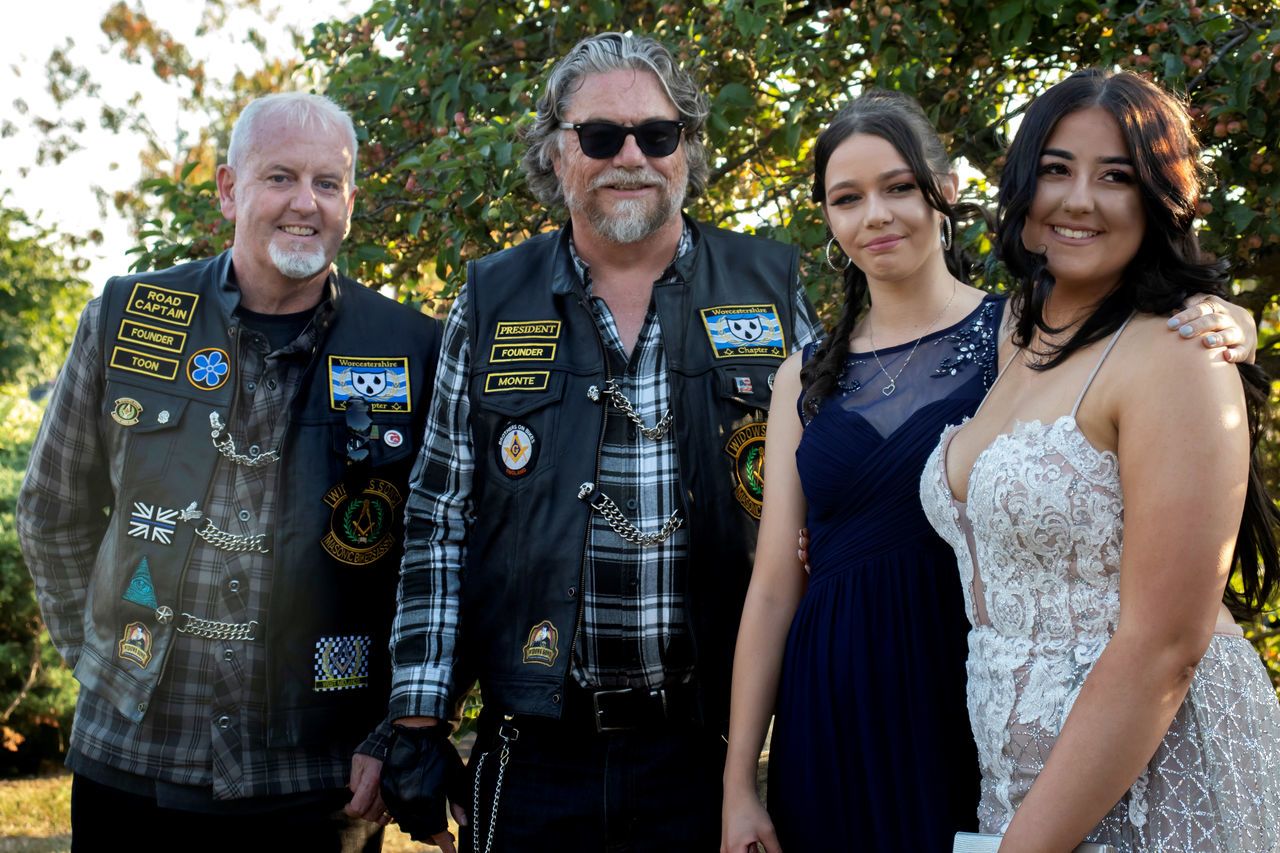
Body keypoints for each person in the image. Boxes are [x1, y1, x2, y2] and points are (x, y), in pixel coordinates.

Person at [721, 90, 1257, 853]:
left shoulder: (1022, 326)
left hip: (958, 688)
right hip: (832, 698)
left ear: (946, 191)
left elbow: (1138, 333)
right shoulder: (801, 378)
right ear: (829, 220)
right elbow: (773, 584)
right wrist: (739, 782)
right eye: (849, 197)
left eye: (899, 186)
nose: (876, 214)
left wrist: (1232, 320)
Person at [380, 32, 822, 852]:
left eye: (657, 135)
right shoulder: (490, 298)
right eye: (599, 136)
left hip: (714, 754)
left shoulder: (769, 287)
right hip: (536, 748)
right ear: (554, 152)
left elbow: (829, 505)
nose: (632, 157)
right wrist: (417, 716)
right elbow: (437, 519)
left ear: (686, 147)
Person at [17, 92, 442, 850]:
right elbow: (52, 510)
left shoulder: (414, 348)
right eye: (279, 176)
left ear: (351, 198)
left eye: (327, 182)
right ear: (226, 188)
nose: (303, 204)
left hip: (318, 780)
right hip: (130, 763)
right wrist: (102, 658)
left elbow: (436, 561)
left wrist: (393, 728)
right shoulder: (129, 316)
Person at [921, 69, 1280, 851]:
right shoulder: (1017, 329)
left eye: (1117, 176)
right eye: (1056, 168)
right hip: (1019, 782)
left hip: (1156, 768)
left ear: (1161, 198)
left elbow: (1164, 645)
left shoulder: (1181, 352)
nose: (1079, 199)